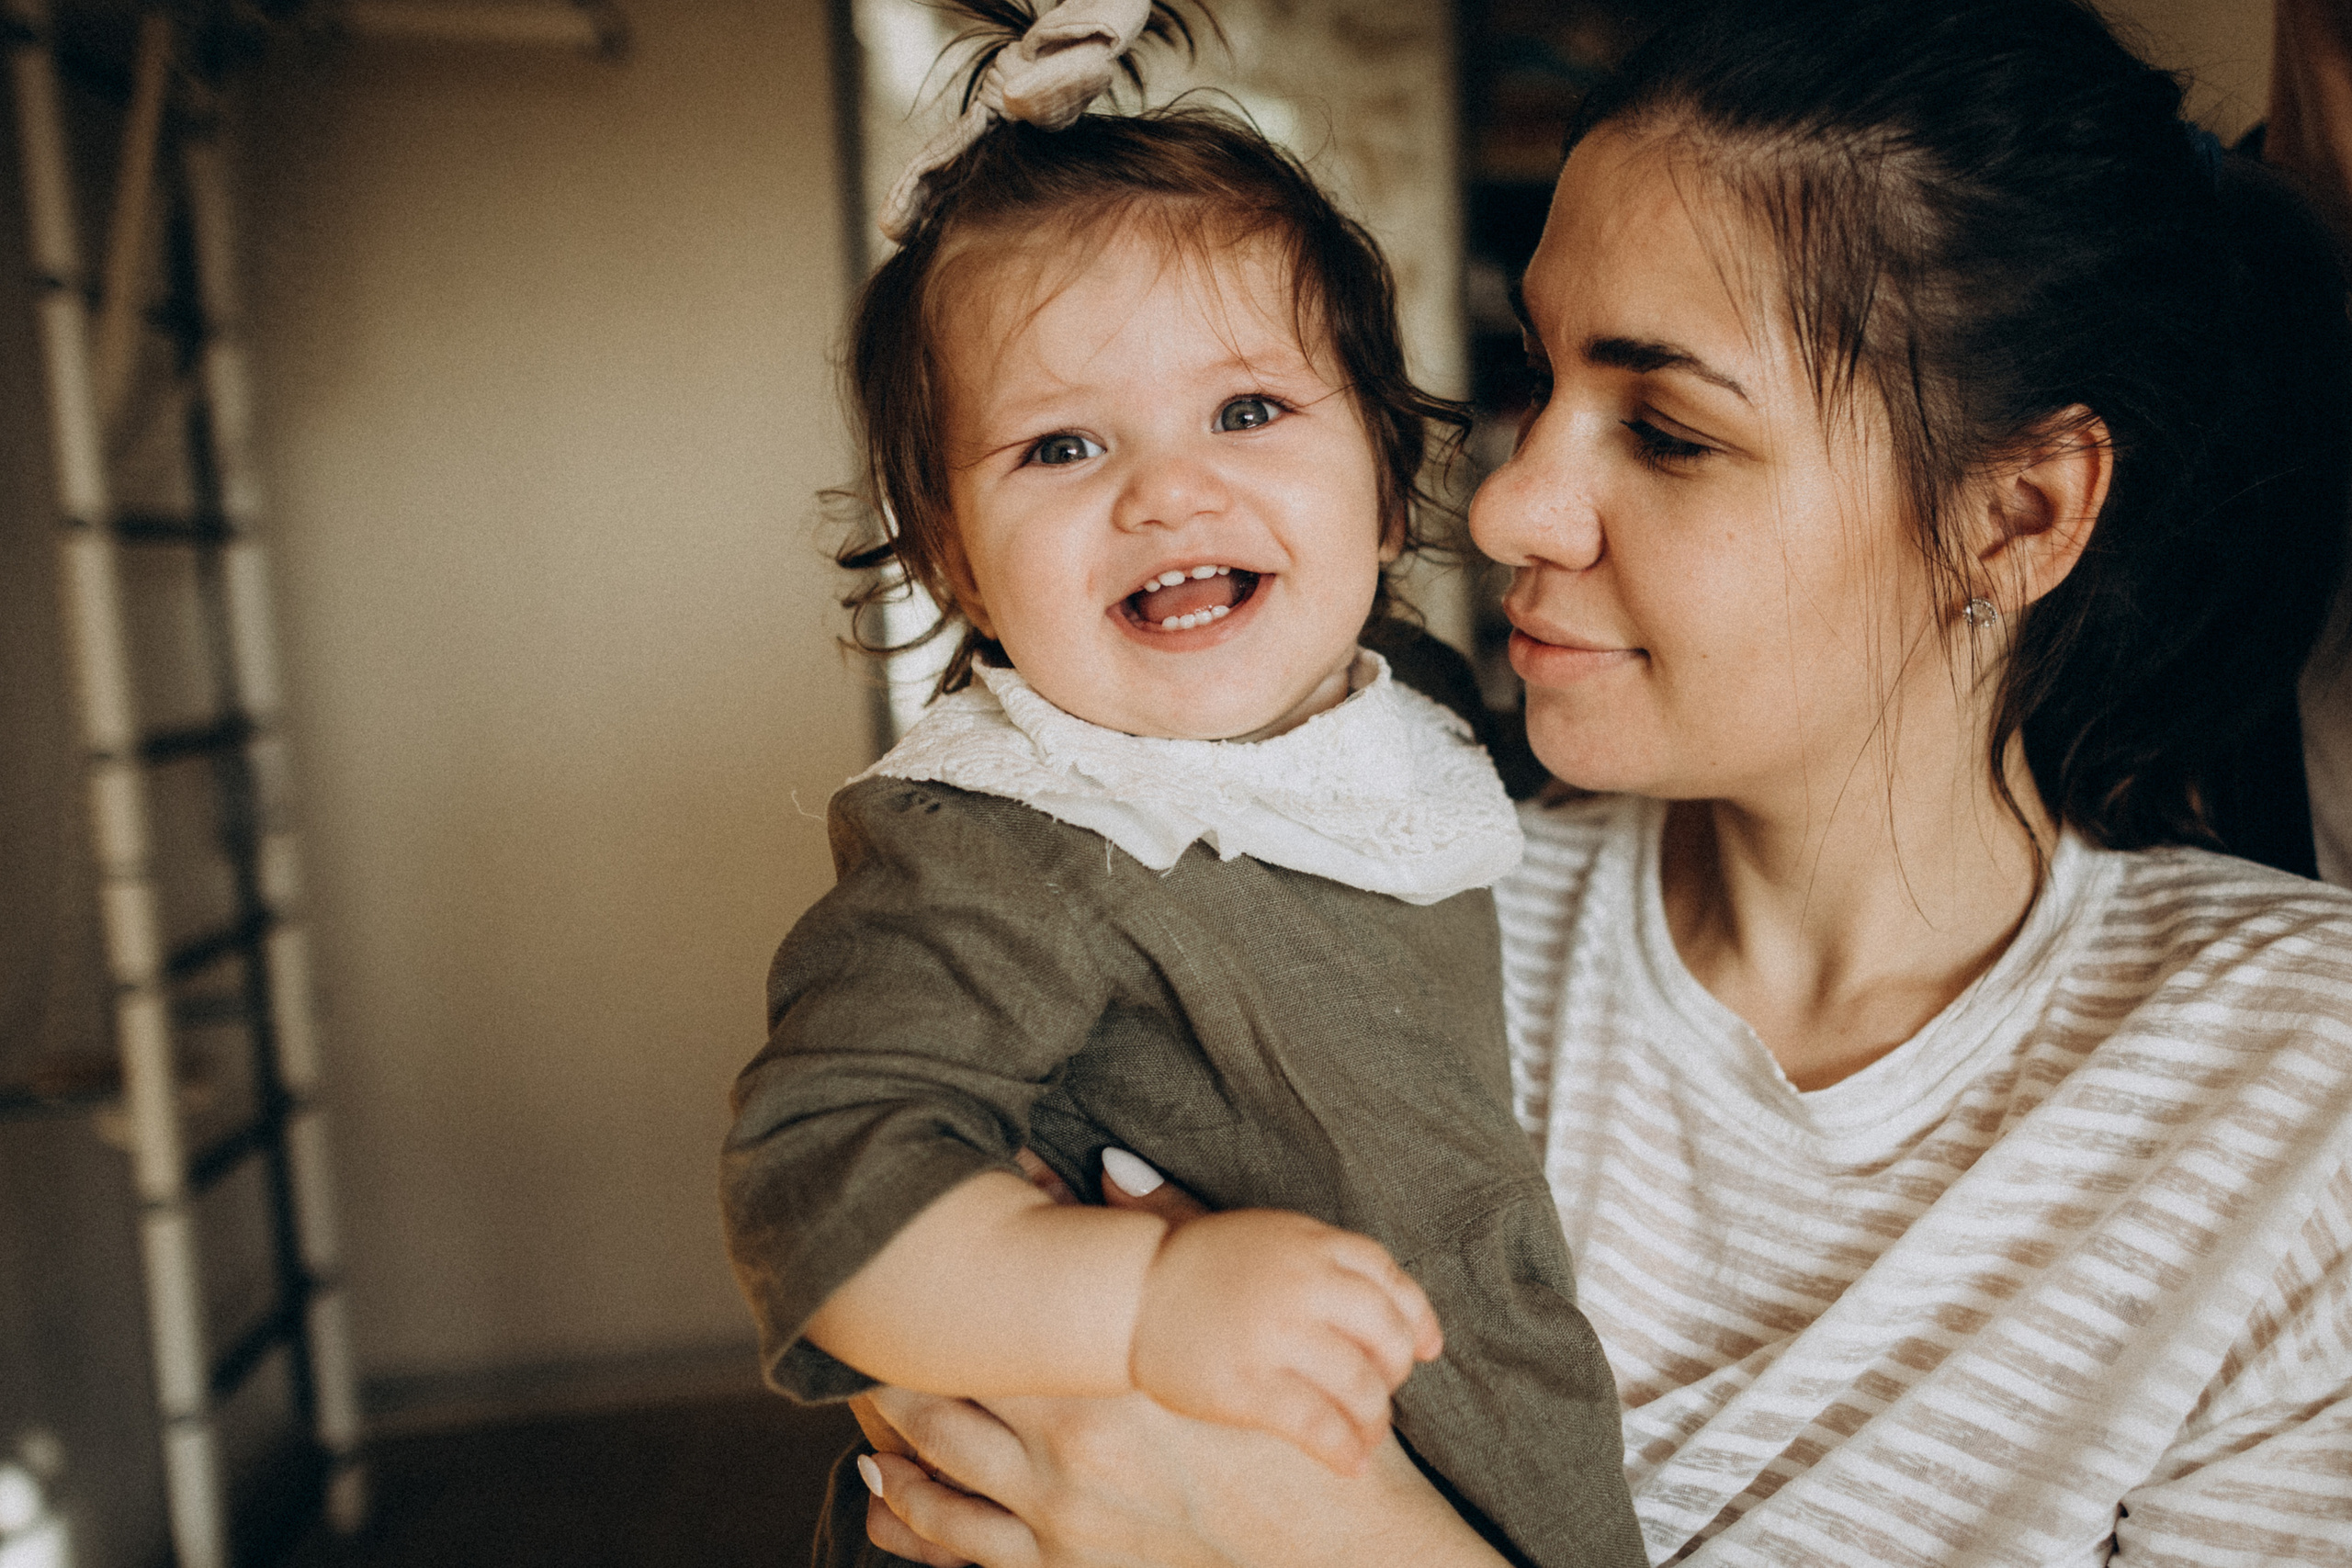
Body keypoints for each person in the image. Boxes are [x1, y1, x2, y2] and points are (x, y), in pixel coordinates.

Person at [843, 0, 2352, 1562]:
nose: (1509, 507)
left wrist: (1325, 1538)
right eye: (1538, 374)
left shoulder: (2304, 1102)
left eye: (1671, 432)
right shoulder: (1350, 901)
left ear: (2015, 516)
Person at [718, 3, 1645, 1563]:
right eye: (1061, 448)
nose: (1170, 490)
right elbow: (820, 1197)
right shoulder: (1008, 837)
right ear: (955, 562)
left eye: (1248, 410)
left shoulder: (1409, 707)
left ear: (1384, 475)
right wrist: (1146, 1302)